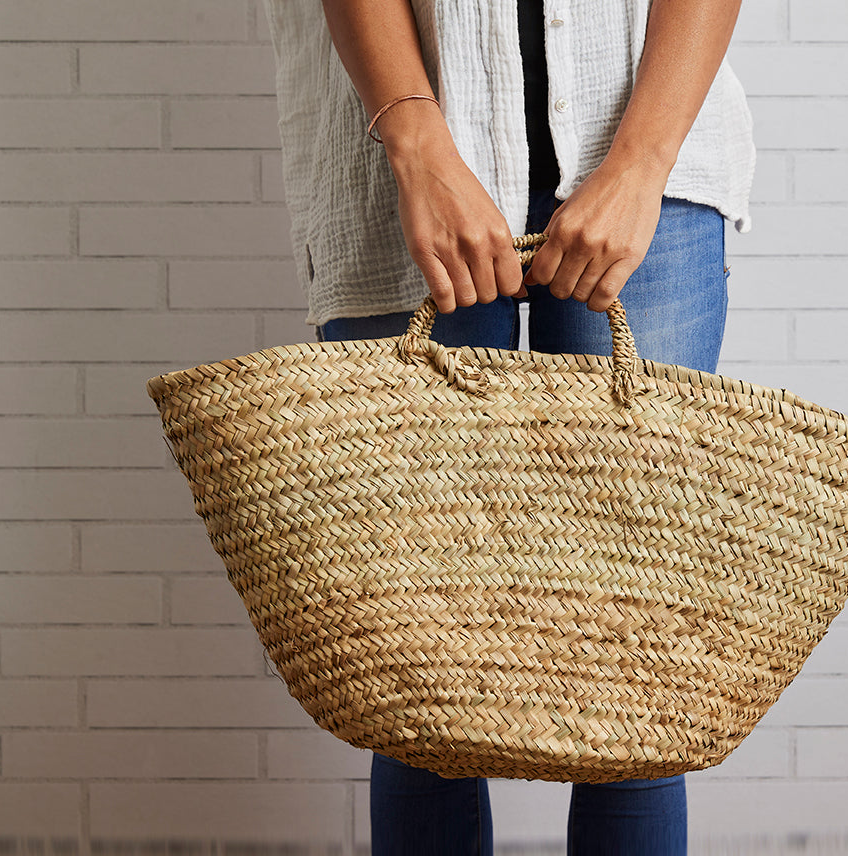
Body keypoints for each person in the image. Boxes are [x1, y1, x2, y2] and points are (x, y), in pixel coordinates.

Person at [264, 1, 754, 852]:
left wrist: (641, 163)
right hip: (400, 158)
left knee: (638, 665)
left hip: (650, 144)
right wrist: (416, 148)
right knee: (416, 669)